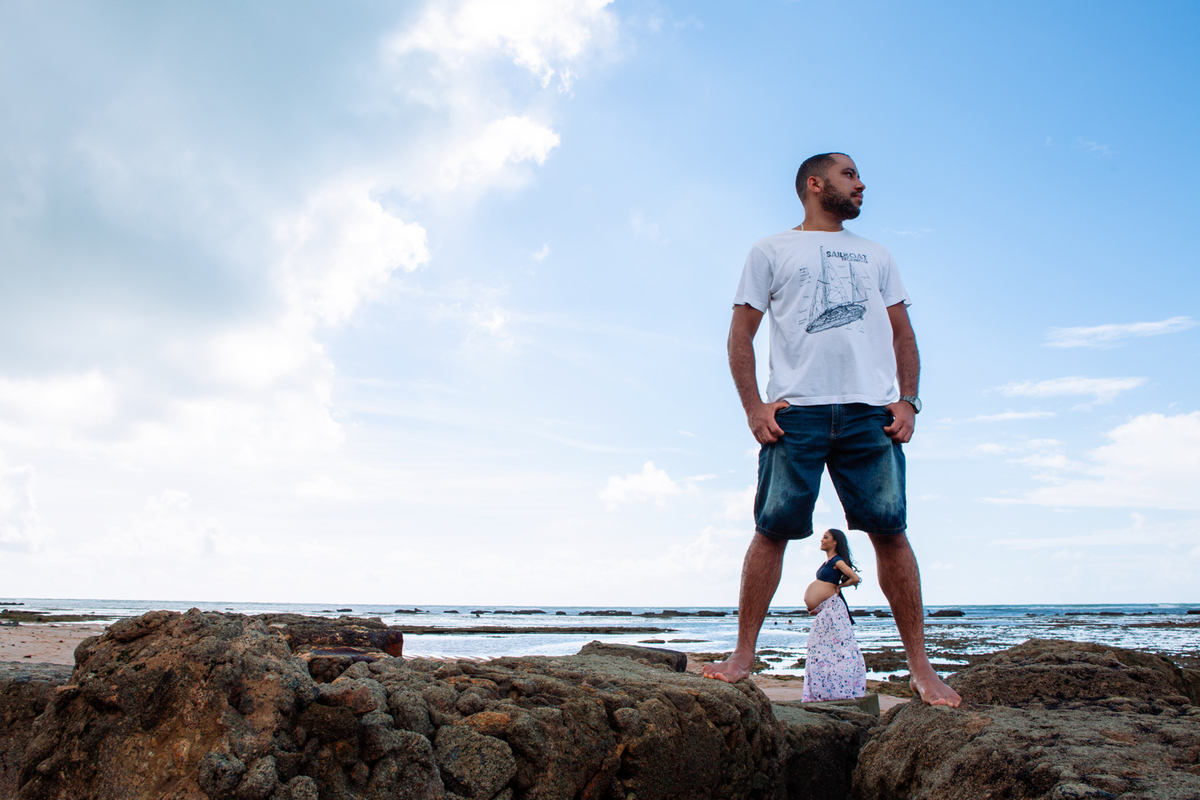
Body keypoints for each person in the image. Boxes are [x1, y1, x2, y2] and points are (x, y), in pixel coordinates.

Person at [701, 153, 960, 707]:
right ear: (815, 185)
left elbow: (903, 334)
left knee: (890, 532)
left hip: (871, 413)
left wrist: (909, 401)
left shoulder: (878, 255)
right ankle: (744, 656)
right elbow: (740, 334)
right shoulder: (770, 249)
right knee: (771, 530)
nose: (861, 183)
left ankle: (920, 668)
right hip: (798, 414)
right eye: (849, 175)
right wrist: (754, 406)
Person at [801, 529, 866, 701]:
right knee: (821, 647)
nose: (821, 540)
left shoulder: (837, 560)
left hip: (833, 611)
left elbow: (855, 578)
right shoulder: (828, 562)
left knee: (837, 649)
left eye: (825, 537)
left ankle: (839, 689)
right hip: (826, 610)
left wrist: (839, 587)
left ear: (835, 542)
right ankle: (826, 689)